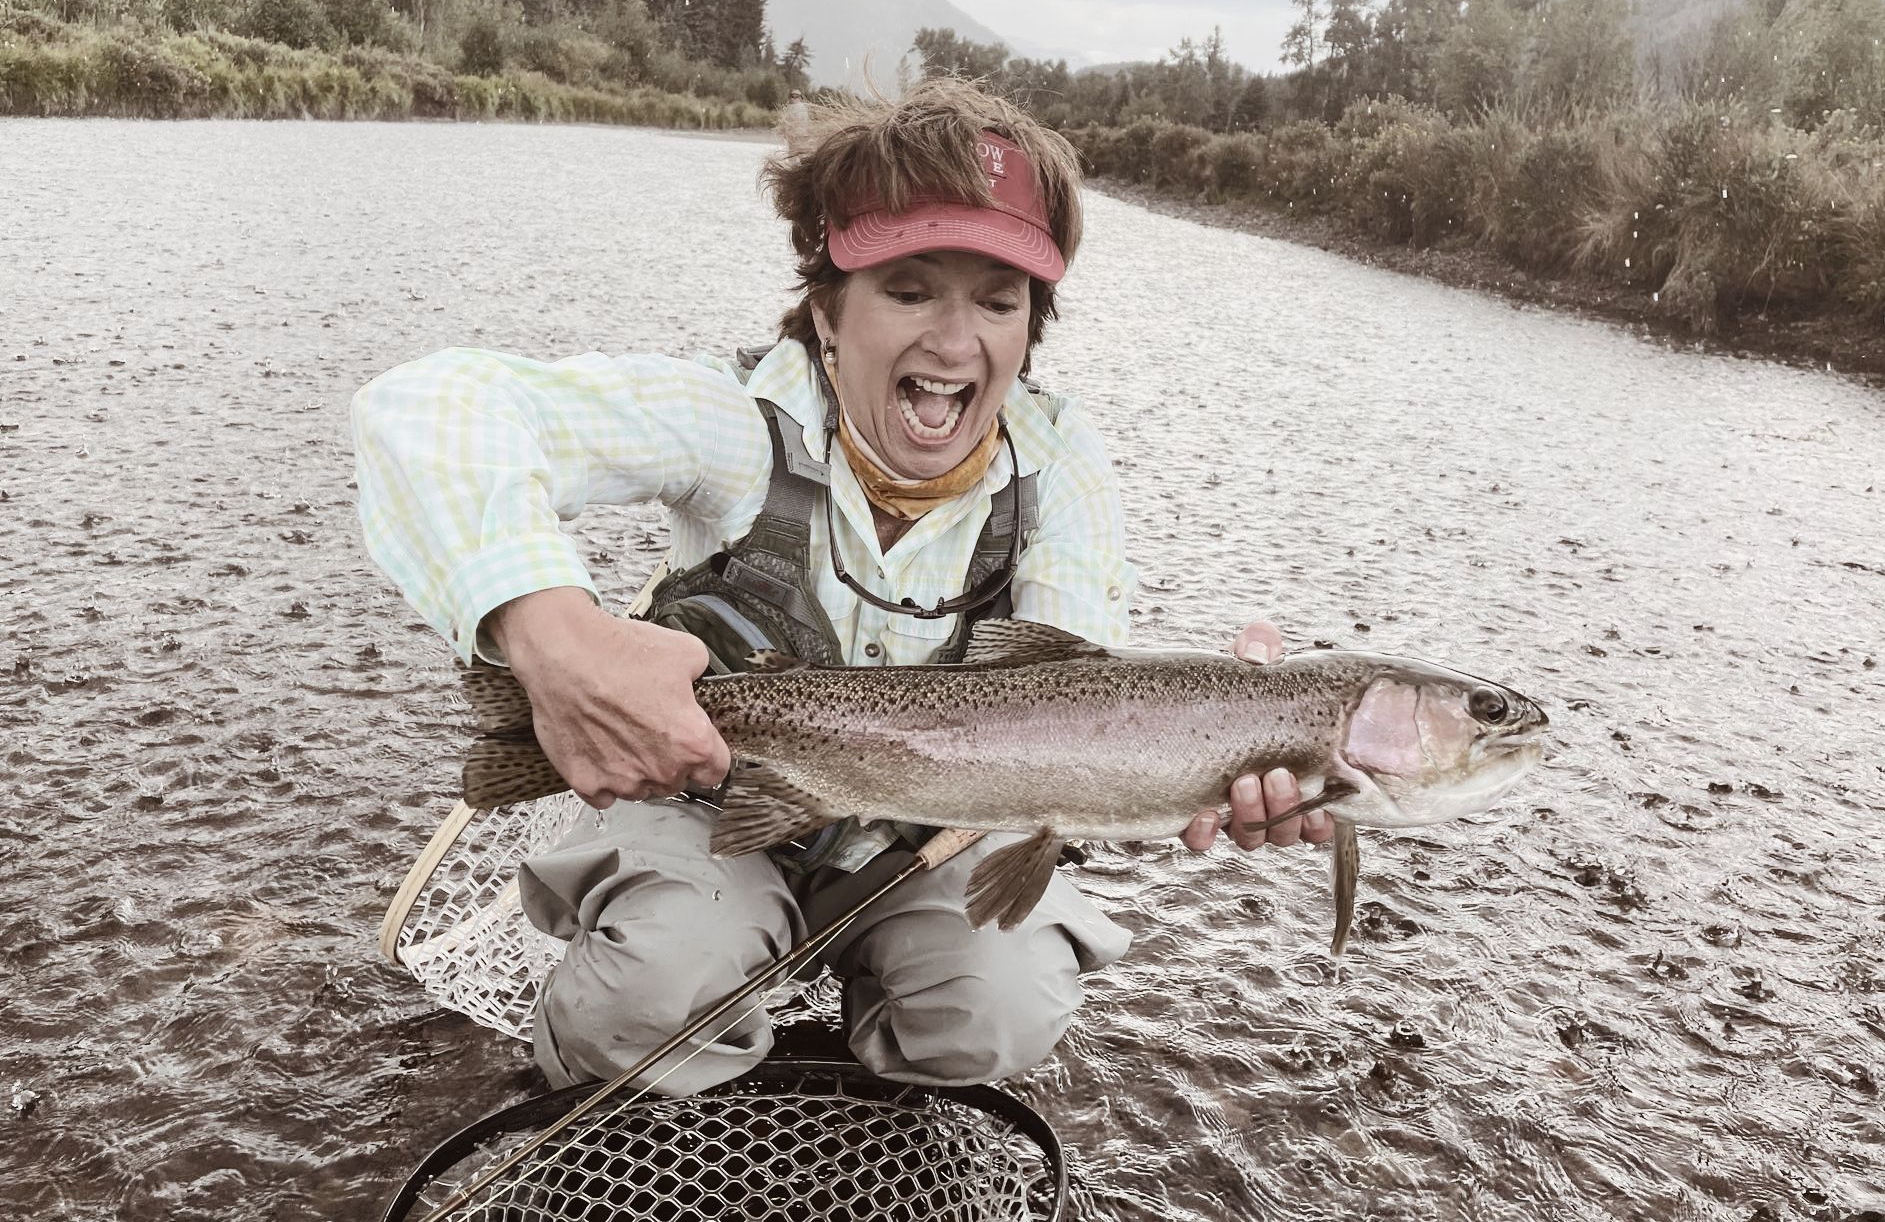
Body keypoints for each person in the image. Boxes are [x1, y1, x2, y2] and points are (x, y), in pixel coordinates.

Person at [350, 78, 1332, 1095]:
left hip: (922, 842)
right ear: (827, 308)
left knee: (1003, 1004)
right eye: (910, 289)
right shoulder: (733, 420)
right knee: (656, 984)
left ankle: (865, 1081)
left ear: (1032, 326)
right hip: (708, 806)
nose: (956, 343)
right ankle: (600, 1074)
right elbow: (427, 409)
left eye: (999, 301)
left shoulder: (1059, 467)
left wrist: (1218, 737)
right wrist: (554, 641)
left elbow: (1070, 693)